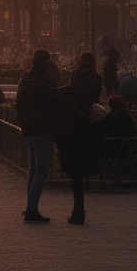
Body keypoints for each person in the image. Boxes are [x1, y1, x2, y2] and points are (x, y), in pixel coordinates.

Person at [17, 51, 92, 225]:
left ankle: (30, 207)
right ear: (44, 64)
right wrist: (80, 114)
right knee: (41, 171)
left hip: (28, 130)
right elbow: (59, 99)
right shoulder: (39, 84)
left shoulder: (26, 80)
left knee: (34, 170)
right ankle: (31, 211)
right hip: (40, 130)